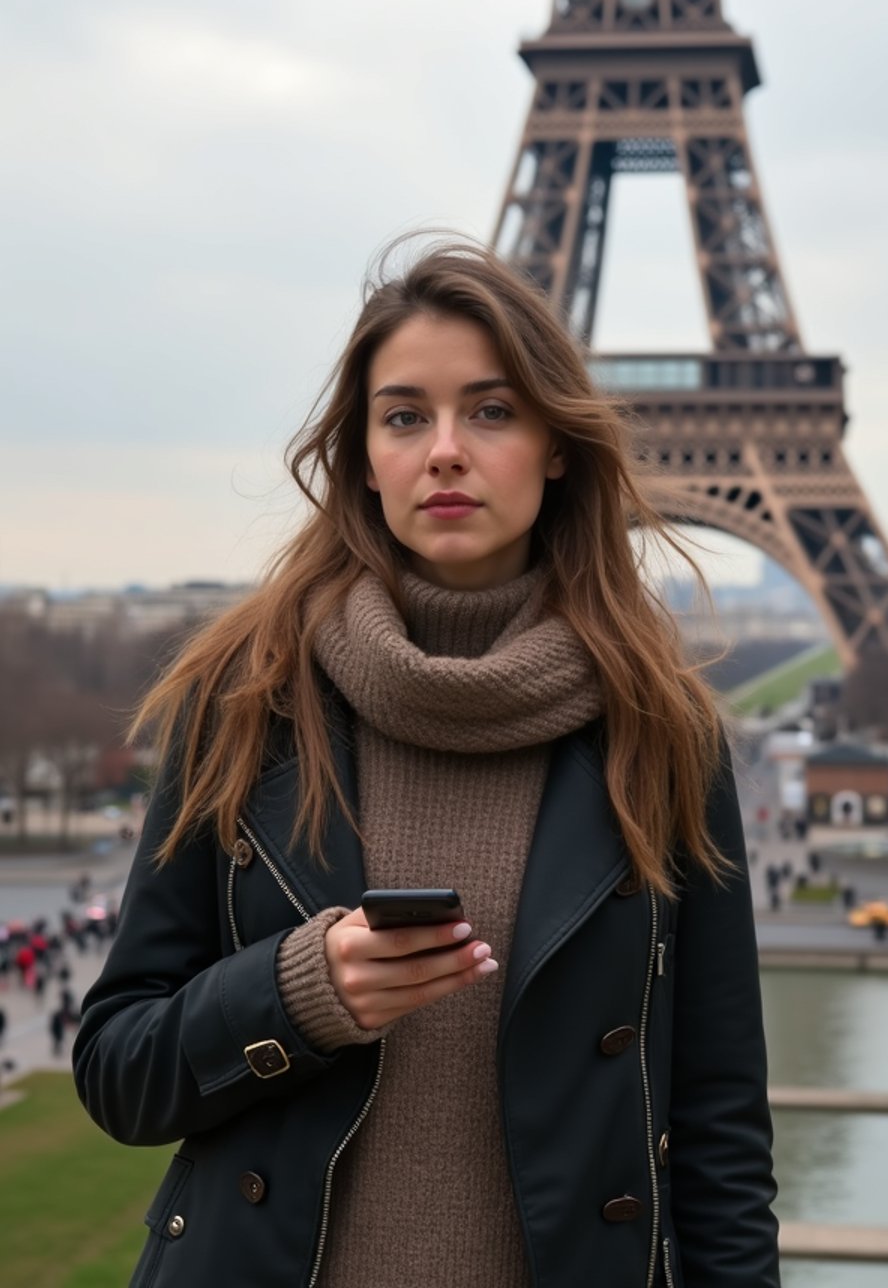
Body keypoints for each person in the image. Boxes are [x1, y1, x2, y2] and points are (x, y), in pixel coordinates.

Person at [73, 239, 779, 1288]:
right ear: (362, 455)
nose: (445, 450)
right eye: (405, 416)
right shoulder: (242, 704)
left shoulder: (662, 734)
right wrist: (299, 992)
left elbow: (718, 1127)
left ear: (553, 443)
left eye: (490, 412)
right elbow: (118, 1071)